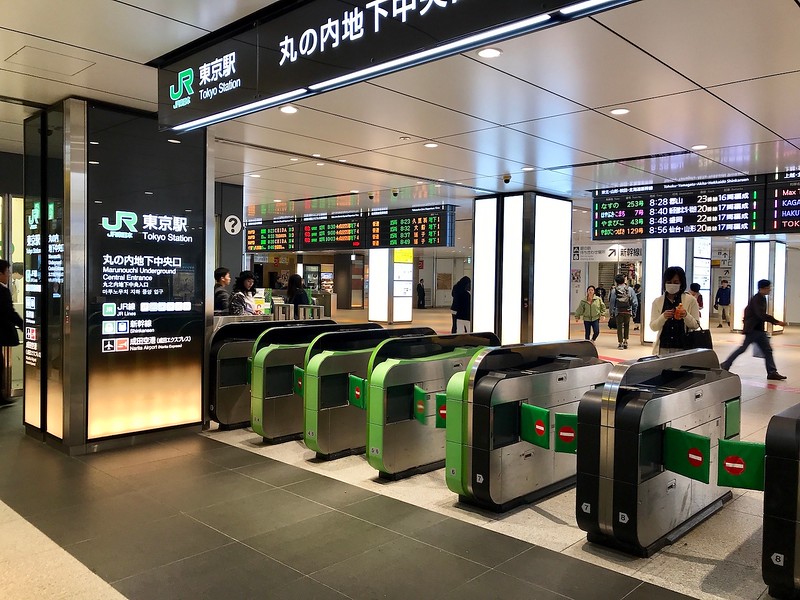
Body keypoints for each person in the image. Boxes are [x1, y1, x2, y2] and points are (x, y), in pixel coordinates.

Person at [720, 279, 787, 380]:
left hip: (758, 329)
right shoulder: (757, 299)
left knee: (767, 350)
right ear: (762, 289)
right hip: (753, 329)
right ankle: (726, 364)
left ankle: (772, 372)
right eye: (768, 288)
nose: (770, 290)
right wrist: (776, 322)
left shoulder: (762, 298)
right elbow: (760, 314)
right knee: (744, 349)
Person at [649, 266, 700, 355]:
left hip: (684, 348)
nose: (672, 285)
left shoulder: (691, 300)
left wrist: (685, 315)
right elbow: (653, 327)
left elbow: (696, 325)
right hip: (663, 348)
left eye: (676, 282)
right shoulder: (658, 301)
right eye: (669, 282)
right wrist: (663, 317)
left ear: (681, 283)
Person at [0, 260, 23, 406]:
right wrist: (22, 325)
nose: (8, 275)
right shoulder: (2, 291)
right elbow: (9, 312)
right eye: (7, 272)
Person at [609, 274, 638, 350]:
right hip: (628, 311)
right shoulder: (630, 289)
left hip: (618, 311)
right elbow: (635, 302)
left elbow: (612, 303)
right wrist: (634, 312)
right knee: (626, 325)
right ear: (624, 280)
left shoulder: (614, 290)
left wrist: (611, 313)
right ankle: (625, 341)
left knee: (619, 327)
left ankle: (620, 343)